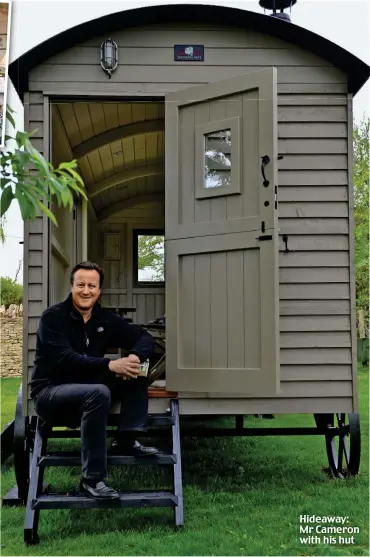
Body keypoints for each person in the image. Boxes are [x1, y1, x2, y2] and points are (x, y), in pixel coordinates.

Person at [30, 261, 159, 500]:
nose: (86, 291)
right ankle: (91, 479)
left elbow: (144, 337)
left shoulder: (104, 319)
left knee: (135, 372)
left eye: (92, 285)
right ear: (72, 286)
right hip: (51, 393)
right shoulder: (53, 318)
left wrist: (134, 356)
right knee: (98, 391)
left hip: (90, 391)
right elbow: (65, 359)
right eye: (81, 285)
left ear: (99, 290)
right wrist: (110, 365)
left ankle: (126, 439)